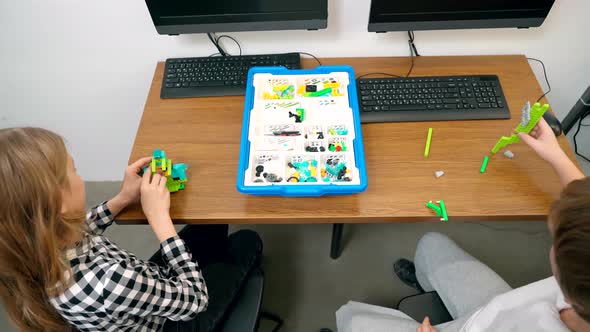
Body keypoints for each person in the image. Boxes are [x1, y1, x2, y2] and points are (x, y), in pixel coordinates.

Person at [336, 117, 590, 332]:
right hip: (496, 308)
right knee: (431, 245)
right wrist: (556, 155)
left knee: (356, 321)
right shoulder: (582, 283)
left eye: (555, 238)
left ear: (566, 279)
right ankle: (430, 289)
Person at [0, 127, 262, 332]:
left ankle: (206, 267)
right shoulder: (109, 282)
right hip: (171, 322)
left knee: (211, 227)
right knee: (247, 241)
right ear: (57, 202)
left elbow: (85, 226)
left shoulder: (39, 244)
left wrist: (122, 199)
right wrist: (160, 221)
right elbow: (195, 300)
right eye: (74, 171)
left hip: (144, 285)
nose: (79, 176)